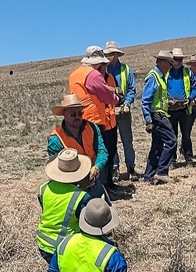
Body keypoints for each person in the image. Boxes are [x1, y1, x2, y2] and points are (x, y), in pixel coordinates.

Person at [70, 46, 120, 193]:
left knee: (87, 156)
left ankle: (91, 187)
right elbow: (107, 96)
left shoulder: (74, 74)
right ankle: (103, 189)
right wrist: (117, 98)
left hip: (79, 119)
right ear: (98, 64)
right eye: (103, 64)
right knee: (101, 155)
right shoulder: (93, 75)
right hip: (95, 121)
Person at [47, 94, 108, 186]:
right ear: (64, 114)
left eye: (80, 113)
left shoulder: (92, 128)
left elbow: (102, 151)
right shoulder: (55, 139)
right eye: (73, 114)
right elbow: (57, 168)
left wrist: (97, 166)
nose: (77, 117)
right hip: (70, 183)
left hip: (94, 177)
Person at [140, 50, 178, 186]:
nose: (170, 66)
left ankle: (148, 175)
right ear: (162, 62)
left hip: (159, 113)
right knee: (171, 140)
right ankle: (161, 172)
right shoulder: (153, 77)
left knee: (157, 145)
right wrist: (148, 120)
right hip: (157, 114)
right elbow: (145, 100)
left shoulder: (159, 76)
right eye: (169, 63)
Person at [104, 42, 139, 182]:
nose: (109, 56)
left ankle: (131, 168)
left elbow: (132, 88)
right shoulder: (102, 70)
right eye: (107, 54)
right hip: (109, 111)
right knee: (111, 141)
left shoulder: (126, 70)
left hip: (123, 110)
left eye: (111, 53)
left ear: (117, 54)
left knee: (127, 140)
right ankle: (115, 169)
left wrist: (127, 103)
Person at [166, 48, 196, 166]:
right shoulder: (166, 73)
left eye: (180, 60)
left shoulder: (188, 73)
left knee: (186, 135)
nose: (178, 62)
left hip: (185, 109)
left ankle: (188, 158)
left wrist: (190, 98)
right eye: (175, 60)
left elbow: (195, 89)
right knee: (172, 136)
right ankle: (172, 160)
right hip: (171, 109)